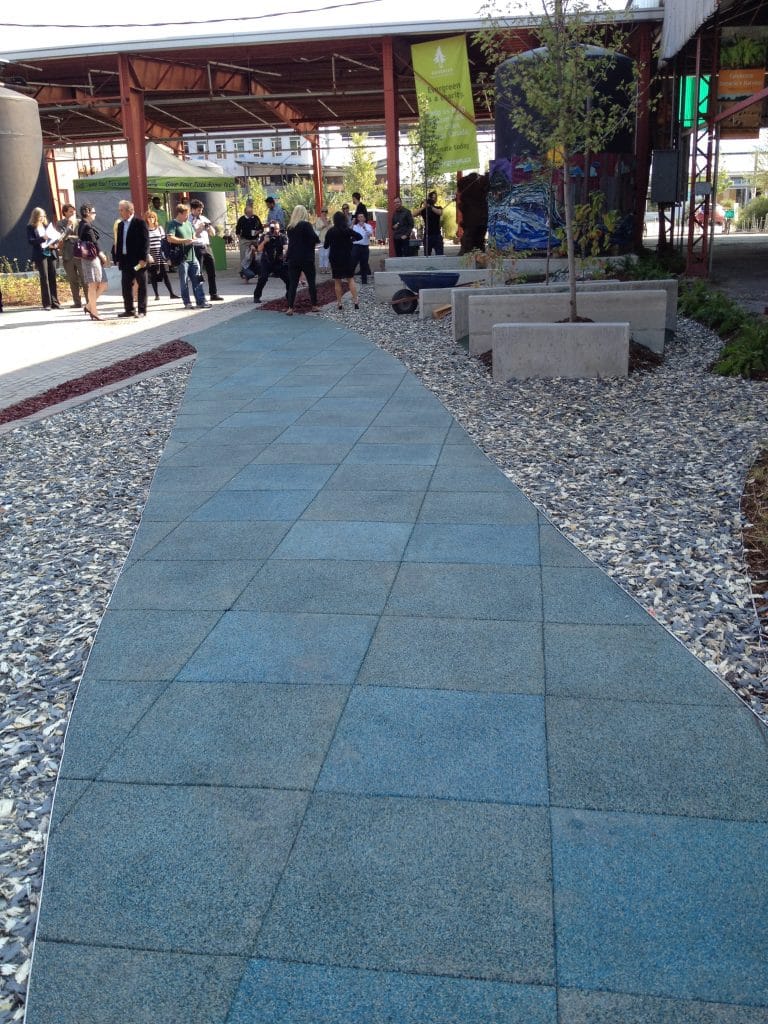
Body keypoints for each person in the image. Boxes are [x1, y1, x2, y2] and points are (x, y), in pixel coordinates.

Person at [166, 202, 211, 310]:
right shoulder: (172, 224)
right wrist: (185, 241)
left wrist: (198, 232)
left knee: (198, 279)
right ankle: (187, 302)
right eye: (186, 214)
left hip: (193, 256)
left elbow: (193, 235)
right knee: (184, 282)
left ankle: (201, 301)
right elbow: (170, 238)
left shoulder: (188, 224)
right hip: (182, 258)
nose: (188, 217)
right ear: (180, 214)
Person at [114, 200, 149, 318]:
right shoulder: (120, 225)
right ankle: (129, 309)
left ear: (130, 211)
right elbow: (119, 243)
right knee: (126, 286)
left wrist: (143, 258)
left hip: (138, 261)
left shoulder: (140, 223)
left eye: (121, 210)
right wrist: (117, 258)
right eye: (119, 210)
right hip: (125, 260)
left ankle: (142, 311)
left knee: (141, 284)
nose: (120, 212)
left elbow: (145, 242)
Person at [285, 205, 320, 315]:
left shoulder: (290, 227)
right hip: (306, 258)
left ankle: (290, 307)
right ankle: (314, 305)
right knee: (311, 282)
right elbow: (315, 238)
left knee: (293, 284)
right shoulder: (306, 225)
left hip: (293, 258)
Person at [77, 203, 109, 320]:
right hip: (91, 258)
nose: (95, 215)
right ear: (88, 213)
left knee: (103, 284)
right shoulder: (85, 226)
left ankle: (89, 306)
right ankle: (94, 311)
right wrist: (102, 255)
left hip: (91, 258)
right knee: (93, 285)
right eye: (93, 212)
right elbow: (94, 242)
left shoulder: (84, 224)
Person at [323, 210, 359, 311]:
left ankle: (339, 303)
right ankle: (355, 301)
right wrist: (350, 241)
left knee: (337, 280)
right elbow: (359, 236)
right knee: (350, 279)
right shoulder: (347, 230)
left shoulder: (330, 231)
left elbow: (325, 246)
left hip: (335, 258)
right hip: (347, 257)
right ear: (344, 220)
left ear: (334, 220)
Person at [26, 207, 60, 310]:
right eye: (40, 216)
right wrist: (42, 238)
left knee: (52, 277)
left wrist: (55, 244)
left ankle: (55, 303)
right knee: (44, 278)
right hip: (40, 254)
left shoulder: (46, 226)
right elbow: (31, 241)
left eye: (43, 216)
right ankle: (47, 303)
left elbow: (53, 237)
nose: (42, 218)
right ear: (35, 216)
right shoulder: (30, 227)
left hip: (50, 252)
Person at [189, 199, 223, 301]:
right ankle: (199, 296)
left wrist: (208, 227)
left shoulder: (204, 218)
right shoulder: (188, 220)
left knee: (211, 271)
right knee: (198, 273)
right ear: (193, 210)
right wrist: (199, 228)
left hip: (206, 246)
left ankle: (213, 293)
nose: (200, 212)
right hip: (196, 247)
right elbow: (193, 235)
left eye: (201, 210)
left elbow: (213, 234)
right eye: (198, 210)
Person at [145, 209, 179, 301]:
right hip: (151, 254)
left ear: (155, 218)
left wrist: (166, 254)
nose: (151, 219)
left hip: (160, 253)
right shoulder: (145, 230)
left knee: (165, 274)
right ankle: (156, 295)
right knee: (153, 275)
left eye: (152, 217)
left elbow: (164, 242)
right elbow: (145, 243)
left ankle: (171, 293)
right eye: (149, 217)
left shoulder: (159, 228)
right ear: (146, 219)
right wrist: (147, 254)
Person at [252, 222, 289, 304]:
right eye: (273, 229)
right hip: (266, 261)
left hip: (278, 262)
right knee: (263, 278)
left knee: (288, 279)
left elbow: (286, 247)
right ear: (270, 229)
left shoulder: (282, 237)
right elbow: (259, 249)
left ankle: (289, 295)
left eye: (277, 228)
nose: (275, 231)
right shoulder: (265, 236)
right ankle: (256, 296)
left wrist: (285, 252)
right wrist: (264, 241)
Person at [56, 204, 84, 307]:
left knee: (84, 278)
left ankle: (90, 301)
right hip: (67, 255)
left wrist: (70, 237)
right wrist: (68, 228)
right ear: (65, 213)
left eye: (74, 211)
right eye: (70, 211)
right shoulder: (60, 223)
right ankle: (77, 302)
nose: (73, 213)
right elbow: (61, 238)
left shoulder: (80, 222)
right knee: (73, 280)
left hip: (79, 254)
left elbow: (82, 237)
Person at [415, 190, 444, 256]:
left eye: (435, 198)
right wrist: (424, 206)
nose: (434, 199)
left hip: (437, 235)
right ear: (429, 198)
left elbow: (440, 212)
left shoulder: (438, 207)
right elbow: (413, 214)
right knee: (427, 255)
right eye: (433, 198)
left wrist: (430, 206)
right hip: (427, 235)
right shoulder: (424, 210)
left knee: (440, 255)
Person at [351, 210, 373, 284]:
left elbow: (370, 234)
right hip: (356, 247)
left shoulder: (368, 226)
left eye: (361, 217)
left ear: (364, 218)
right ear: (357, 218)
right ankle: (350, 279)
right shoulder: (354, 227)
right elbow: (349, 232)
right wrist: (352, 223)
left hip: (365, 247)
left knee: (364, 264)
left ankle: (364, 281)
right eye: (359, 217)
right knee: (353, 263)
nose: (360, 218)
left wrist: (364, 228)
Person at [314, 207, 331, 271]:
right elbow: (318, 228)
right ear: (321, 212)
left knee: (326, 254)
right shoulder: (318, 219)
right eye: (323, 211)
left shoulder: (329, 219)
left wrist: (326, 222)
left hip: (327, 239)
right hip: (321, 239)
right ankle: (321, 267)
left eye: (325, 211)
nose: (324, 213)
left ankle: (326, 267)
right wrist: (324, 223)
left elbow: (330, 229)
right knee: (321, 254)